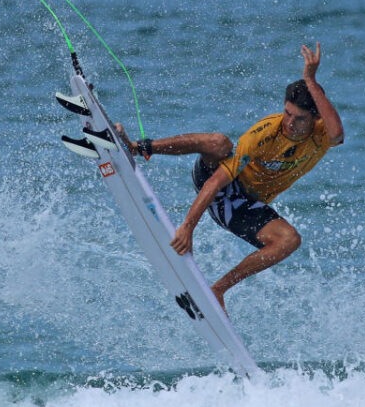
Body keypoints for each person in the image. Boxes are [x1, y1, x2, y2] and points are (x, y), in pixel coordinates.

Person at [118, 43, 344, 311]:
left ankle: (218, 290)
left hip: (241, 206)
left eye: (299, 118)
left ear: (315, 118)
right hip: (216, 185)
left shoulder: (320, 136)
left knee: (290, 240)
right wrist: (188, 228)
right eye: (287, 113)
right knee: (219, 143)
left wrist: (310, 80)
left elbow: (338, 134)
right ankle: (138, 148)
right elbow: (215, 182)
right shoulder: (263, 135)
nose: (289, 123)